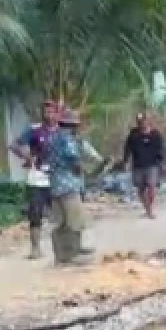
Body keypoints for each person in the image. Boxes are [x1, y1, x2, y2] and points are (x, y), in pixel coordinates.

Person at [48, 107, 103, 266]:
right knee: (74, 221)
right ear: (73, 125)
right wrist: (85, 170)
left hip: (55, 185)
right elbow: (74, 160)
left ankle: (60, 255)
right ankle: (72, 254)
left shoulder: (53, 138)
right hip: (69, 185)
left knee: (61, 222)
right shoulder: (68, 140)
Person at [9, 100, 60, 259]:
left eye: (52, 111)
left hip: (58, 178)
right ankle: (35, 248)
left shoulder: (62, 132)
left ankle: (65, 246)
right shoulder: (35, 130)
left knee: (61, 213)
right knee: (35, 213)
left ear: (57, 114)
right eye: (46, 111)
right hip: (37, 177)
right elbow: (14, 145)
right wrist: (27, 157)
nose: (49, 115)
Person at [121, 111, 166, 219]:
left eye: (144, 121)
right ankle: (147, 209)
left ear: (148, 121)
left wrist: (163, 162)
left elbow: (162, 149)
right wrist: (126, 161)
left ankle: (150, 209)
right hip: (138, 165)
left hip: (152, 165)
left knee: (151, 186)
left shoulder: (155, 134)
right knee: (140, 189)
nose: (142, 123)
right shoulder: (133, 134)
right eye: (139, 121)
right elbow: (127, 149)